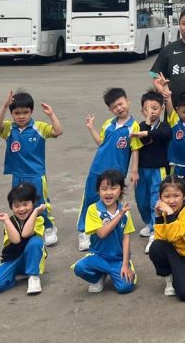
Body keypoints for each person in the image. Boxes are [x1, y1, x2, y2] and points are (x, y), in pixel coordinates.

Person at [0, 90, 62, 246]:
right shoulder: (9, 128)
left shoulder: (39, 127)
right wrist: (5, 106)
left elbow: (58, 131)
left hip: (36, 174)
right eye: (17, 113)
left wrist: (51, 115)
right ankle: (25, 228)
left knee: (40, 202)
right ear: (11, 113)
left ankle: (49, 227)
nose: (21, 116)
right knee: (20, 203)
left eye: (25, 112)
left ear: (31, 111)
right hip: (17, 175)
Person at [76, 88, 136, 252]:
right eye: (114, 107)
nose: (119, 108)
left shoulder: (133, 126)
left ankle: (115, 227)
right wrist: (91, 127)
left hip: (117, 172)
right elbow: (101, 143)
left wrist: (134, 170)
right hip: (97, 169)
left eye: (120, 104)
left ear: (127, 101)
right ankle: (84, 231)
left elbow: (135, 149)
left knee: (113, 200)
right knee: (90, 199)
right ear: (110, 109)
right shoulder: (108, 124)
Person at [73, 170, 136, 294]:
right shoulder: (93, 210)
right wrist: (119, 215)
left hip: (117, 259)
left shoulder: (124, 211)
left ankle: (115, 270)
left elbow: (126, 238)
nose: (108, 192)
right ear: (98, 191)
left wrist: (125, 265)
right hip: (98, 256)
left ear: (121, 190)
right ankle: (98, 277)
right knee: (80, 268)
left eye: (113, 188)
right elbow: (102, 234)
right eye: (104, 189)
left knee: (125, 287)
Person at [148, 175, 185, 301]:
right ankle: (169, 276)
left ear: (184, 196)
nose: (171, 201)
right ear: (160, 197)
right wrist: (158, 217)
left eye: (176, 196)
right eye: (167, 196)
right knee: (156, 247)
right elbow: (160, 239)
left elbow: (174, 235)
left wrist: (169, 214)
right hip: (175, 254)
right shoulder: (166, 212)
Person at [0, 183, 47, 296]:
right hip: (11, 260)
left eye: (26, 204)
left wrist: (35, 212)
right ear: (11, 208)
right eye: (17, 206)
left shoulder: (38, 219)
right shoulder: (9, 221)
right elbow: (16, 240)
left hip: (29, 258)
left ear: (33, 203)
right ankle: (14, 277)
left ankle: (33, 276)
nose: (21, 209)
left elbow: (26, 233)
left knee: (35, 242)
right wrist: (6, 220)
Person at [130, 91, 171, 253]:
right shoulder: (140, 126)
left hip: (158, 170)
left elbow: (162, 135)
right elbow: (143, 140)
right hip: (142, 169)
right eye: (147, 109)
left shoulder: (164, 127)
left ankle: (155, 232)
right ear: (142, 111)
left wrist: (146, 132)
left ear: (161, 109)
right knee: (141, 199)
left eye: (155, 108)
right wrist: (146, 126)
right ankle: (149, 222)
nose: (151, 112)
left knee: (156, 199)